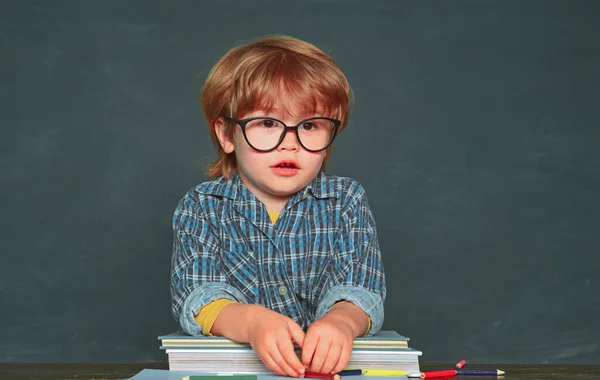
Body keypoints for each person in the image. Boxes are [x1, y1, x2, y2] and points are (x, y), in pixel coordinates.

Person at [170, 35, 386, 378]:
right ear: (226, 134)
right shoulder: (202, 206)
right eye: (268, 123)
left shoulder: (347, 200)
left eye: (310, 125)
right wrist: (252, 322)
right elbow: (199, 297)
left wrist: (342, 321)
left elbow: (360, 288)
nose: (289, 143)